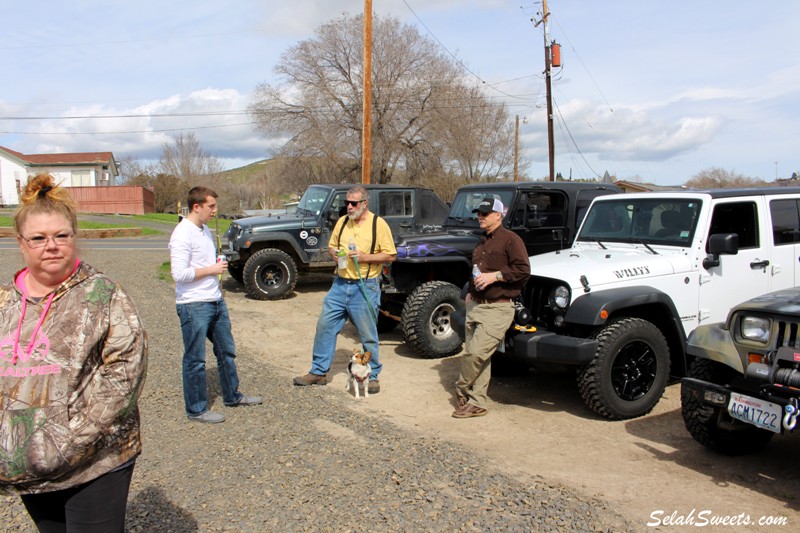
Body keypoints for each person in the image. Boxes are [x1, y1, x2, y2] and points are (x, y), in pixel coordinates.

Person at [0, 173, 147, 532]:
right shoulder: (4, 301)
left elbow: (124, 375)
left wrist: (65, 442)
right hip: (28, 465)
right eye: (38, 238)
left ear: (74, 238)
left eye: (60, 236)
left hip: (95, 461)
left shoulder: (105, 295)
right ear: (21, 243)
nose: (51, 245)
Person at [169, 186, 262, 423]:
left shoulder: (204, 230)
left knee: (226, 351)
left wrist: (216, 269)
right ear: (196, 207)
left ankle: (232, 395)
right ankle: (197, 409)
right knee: (195, 358)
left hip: (215, 301)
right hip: (193, 304)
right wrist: (211, 269)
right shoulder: (182, 234)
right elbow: (179, 274)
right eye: (210, 206)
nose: (214, 210)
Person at [293, 185, 397, 393]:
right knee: (325, 326)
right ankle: (318, 372)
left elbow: (390, 255)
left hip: (365, 286)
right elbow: (332, 246)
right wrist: (334, 254)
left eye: (353, 203)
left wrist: (365, 257)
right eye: (346, 203)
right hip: (339, 284)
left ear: (364, 204)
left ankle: (372, 375)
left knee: (367, 335)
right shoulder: (342, 222)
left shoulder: (379, 224)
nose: (349, 207)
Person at [453, 197, 530, 418]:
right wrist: (469, 293)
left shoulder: (511, 240)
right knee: (481, 356)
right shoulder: (481, 242)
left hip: (498, 307)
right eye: (479, 213)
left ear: (499, 215)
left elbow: (523, 270)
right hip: (476, 304)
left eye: (485, 214)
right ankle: (477, 402)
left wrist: (495, 277)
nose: (480, 217)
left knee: (476, 354)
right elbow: (475, 270)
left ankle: (461, 389)